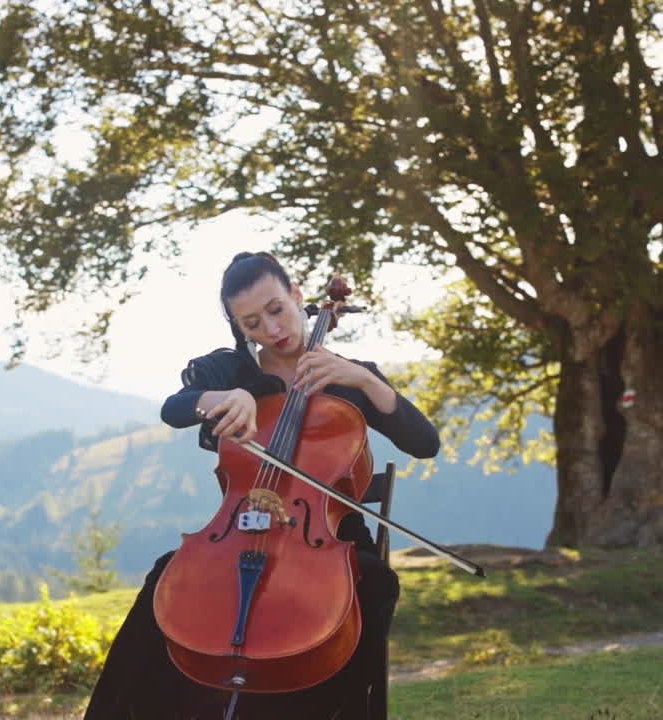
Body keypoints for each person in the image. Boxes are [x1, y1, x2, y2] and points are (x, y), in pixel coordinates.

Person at [82, 251, 440, 719]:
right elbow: (175, 408)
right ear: (240, 327)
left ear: (296, 296)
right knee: (165, 581)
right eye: (252, 323)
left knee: (373, 585)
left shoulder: (350, 378)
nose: (271, 329)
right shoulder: (231, 372)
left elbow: (425, 443)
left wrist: (368, 382)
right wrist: (225, 398)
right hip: (234, 537)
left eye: (276, 310)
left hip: (332, 546)